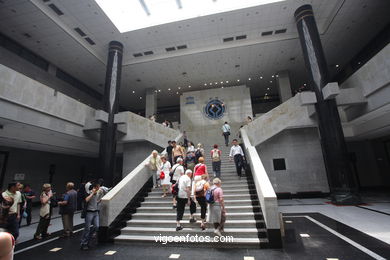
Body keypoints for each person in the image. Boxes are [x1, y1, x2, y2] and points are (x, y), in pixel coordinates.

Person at [80, 182, 107, 250]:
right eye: (98, 187)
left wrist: (99, 201)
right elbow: (86, 200)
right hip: (89, 212)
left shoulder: (97, 193)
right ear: (94, 187)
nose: (99, 188)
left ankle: (87, 240)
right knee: (87, 228)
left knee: (96, 226)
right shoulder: (89, 192)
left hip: (95, 212)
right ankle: (84, 243)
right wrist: (92, 193)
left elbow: (95, 202)